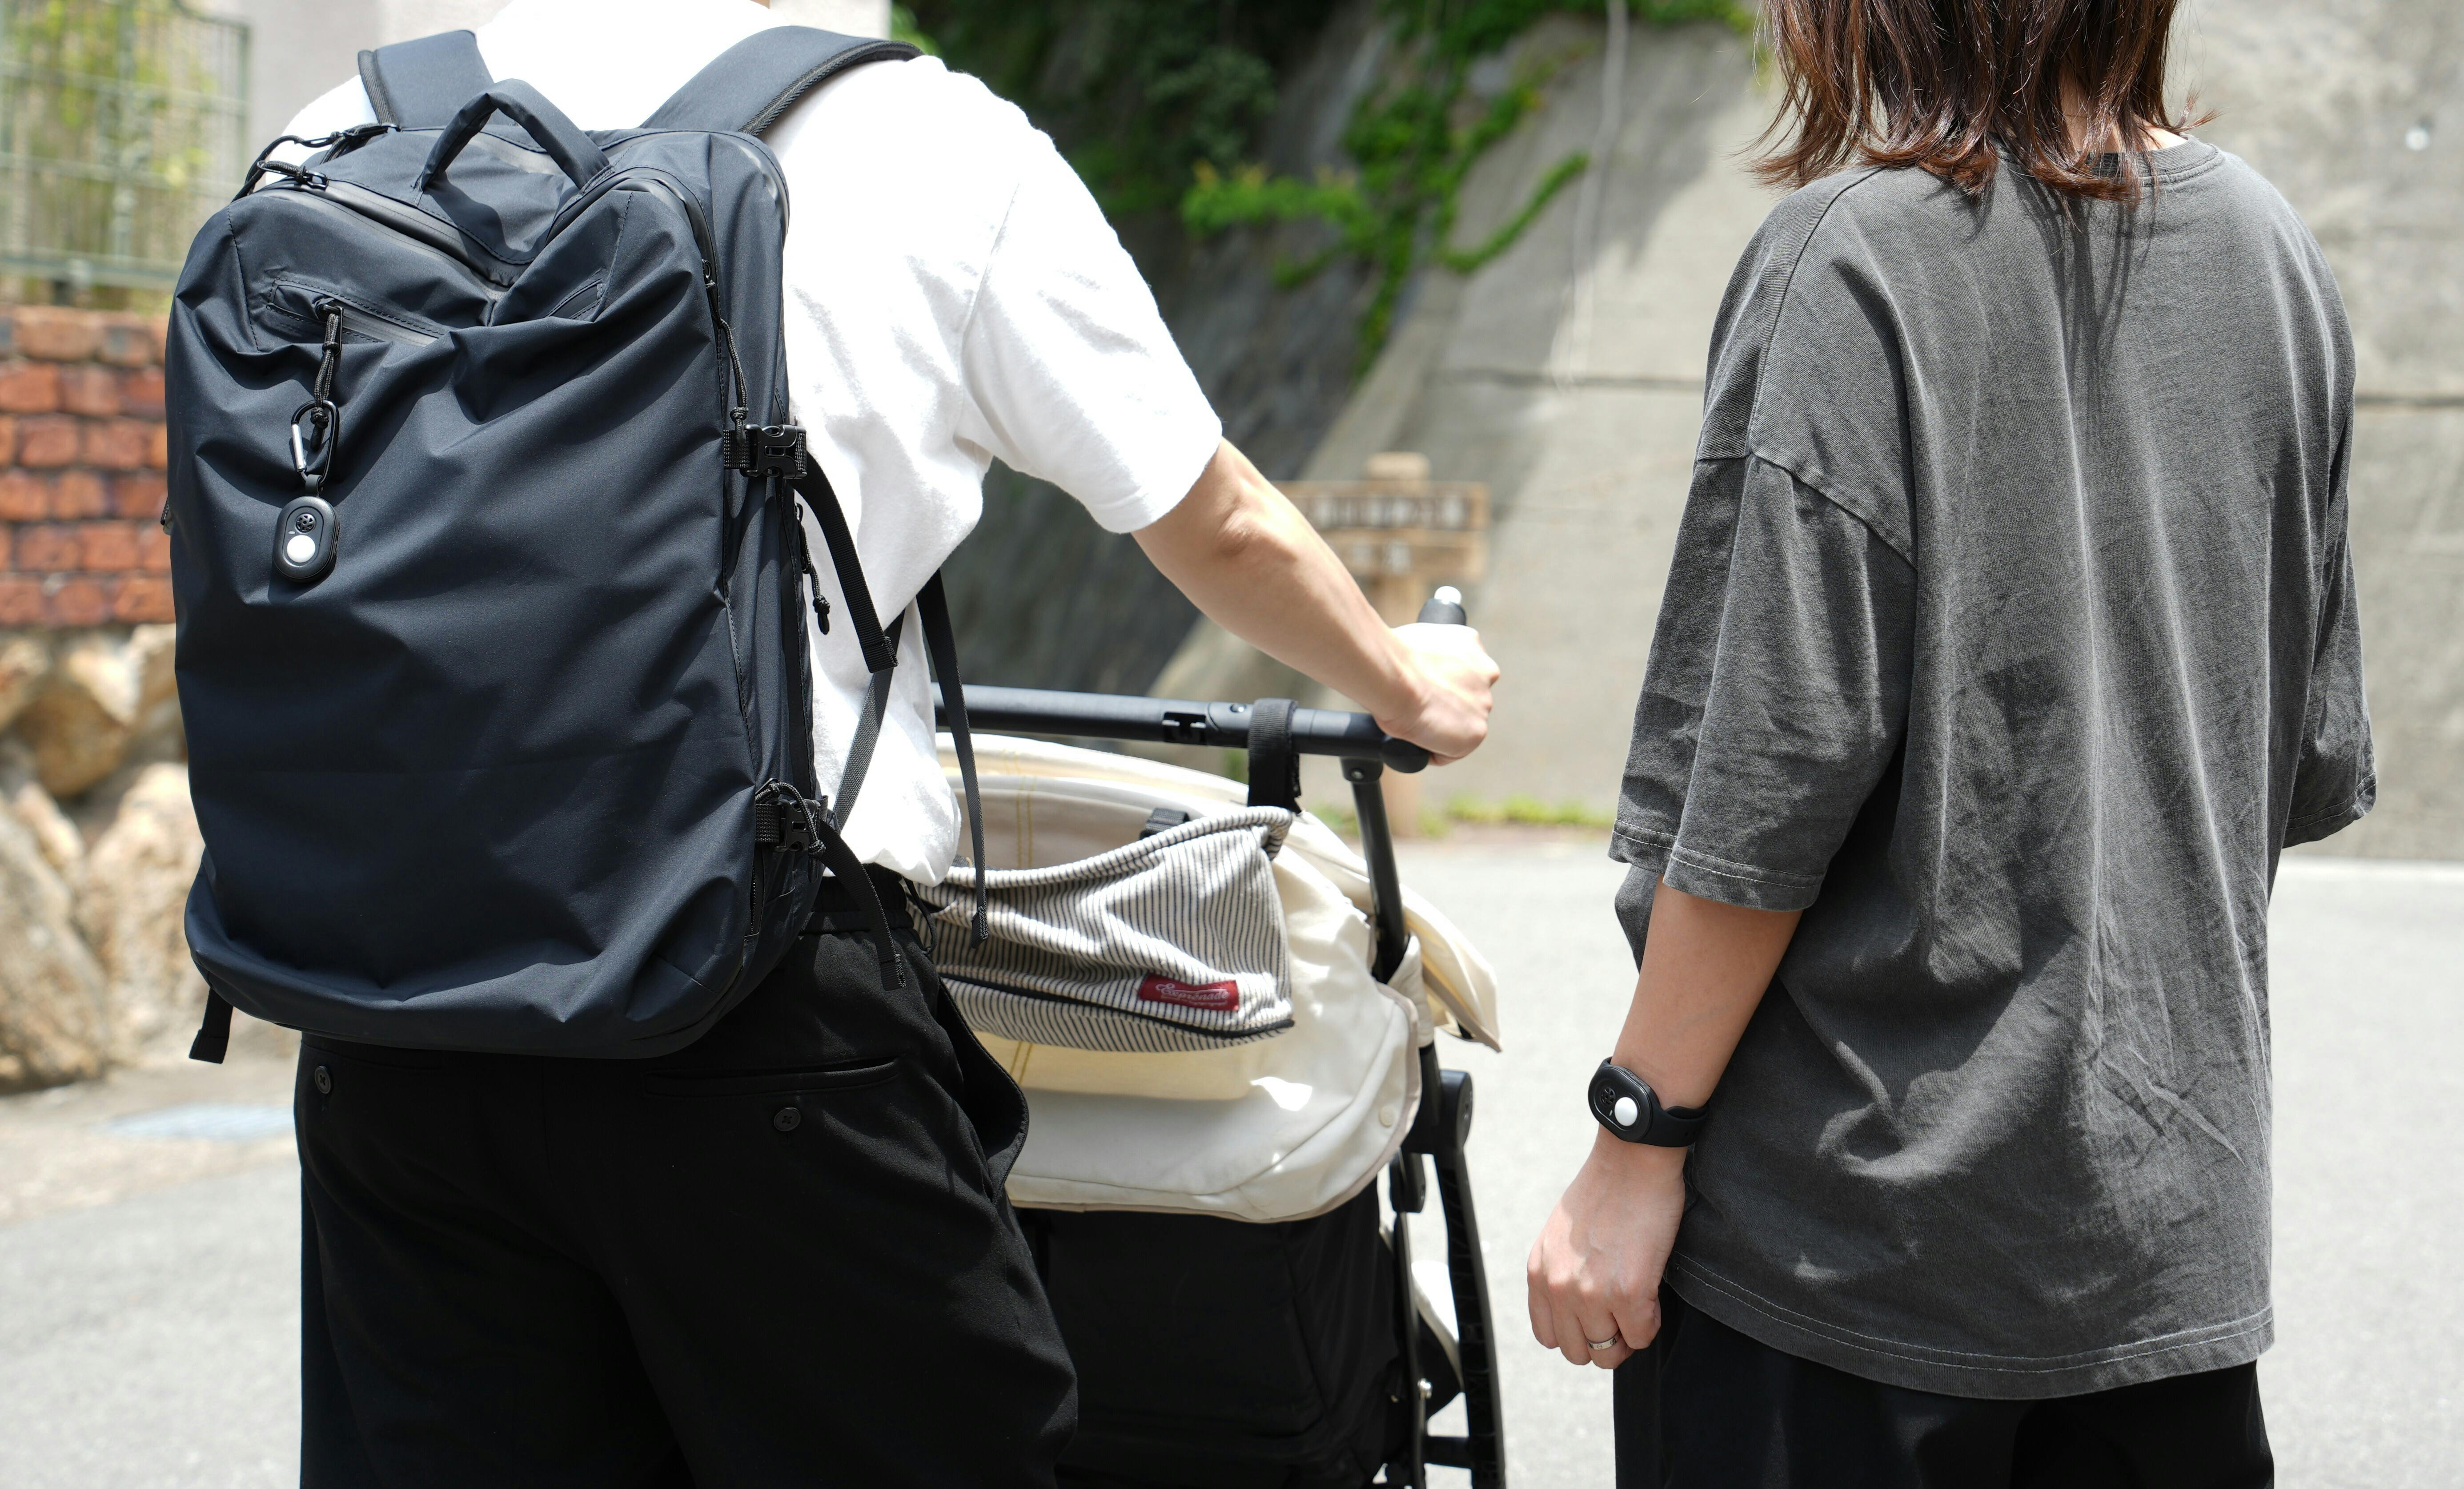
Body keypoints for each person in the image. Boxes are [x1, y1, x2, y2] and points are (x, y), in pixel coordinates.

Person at [270, 2, 1498, 1484]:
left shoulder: (347, 129)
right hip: (745, 1004)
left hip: (391, 1016)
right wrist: (1405, 682)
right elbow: (1213, 516)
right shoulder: (921, 139)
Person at [1526, 0, 2368, 1483]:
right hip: (2165, 1254)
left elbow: (1761, 792)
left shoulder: (1853, 261)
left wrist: (1634, 1140)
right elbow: (2291, 756)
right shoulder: (2274, 255)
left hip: (1848, 1260)